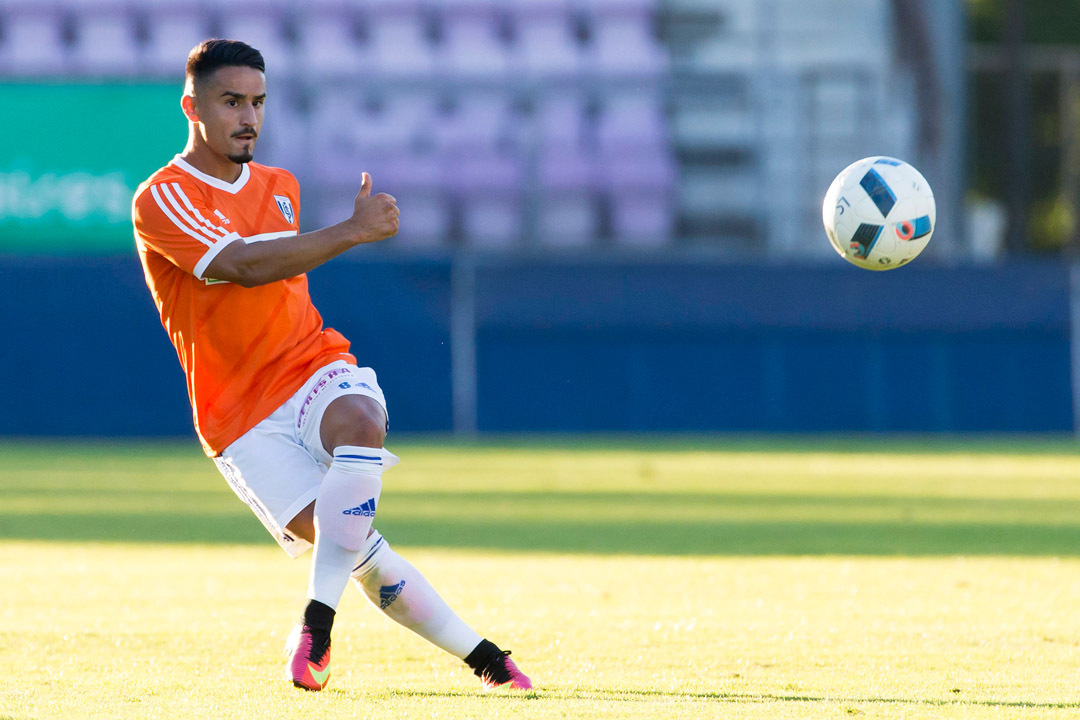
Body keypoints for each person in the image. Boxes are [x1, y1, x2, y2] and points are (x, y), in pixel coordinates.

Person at [131, 38, 531, 693]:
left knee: (361, 424)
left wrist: (342, 231)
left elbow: (276, 266)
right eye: (231, 101)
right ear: (191, 106)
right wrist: (352, 231)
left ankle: (316, 621)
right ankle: (486, 657)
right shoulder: (163, 198)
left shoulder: (280, 186)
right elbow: (243, 266)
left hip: (312, 365)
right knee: (358, 549)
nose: (249, 117)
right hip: (238, 417)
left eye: (258, 102)